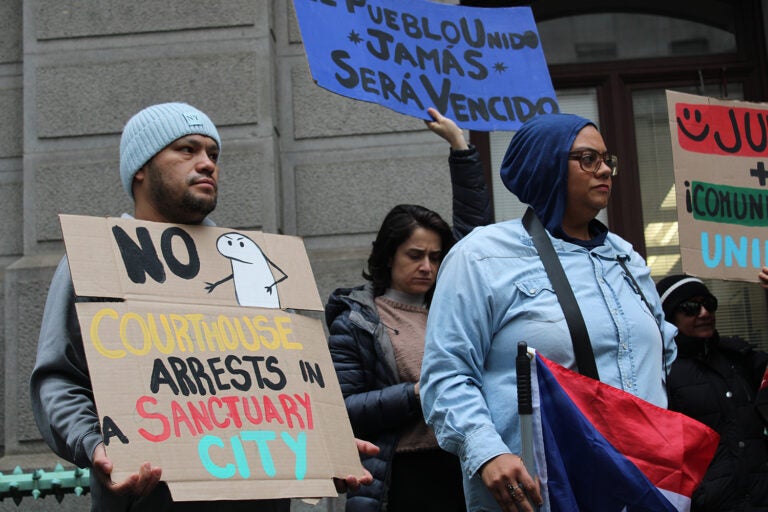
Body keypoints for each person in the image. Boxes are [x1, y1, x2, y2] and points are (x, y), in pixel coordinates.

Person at [29, 102, 376, 512]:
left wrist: (322, 441)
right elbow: (59, 380)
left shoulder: (250, 263)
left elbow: (284, 377)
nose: (207, 163)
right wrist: (96, 445)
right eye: (187, 150)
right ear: (141, 167)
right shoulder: (96, 259)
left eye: (213, 154)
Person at [419, 113, 677, 512]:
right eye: (588, 158)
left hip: (644, 493)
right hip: (543, 494)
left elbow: (664, 358)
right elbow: (446, 374)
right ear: (548, 165)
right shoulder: (481, 255)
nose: (605, 168)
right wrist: (487, 452)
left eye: (608, 158)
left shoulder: (628, 259)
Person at [325, 107, 492, 512]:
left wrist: (461, 148)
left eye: (436, 257)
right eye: (415, 255)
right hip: (399, 477)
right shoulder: (358, 321)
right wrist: (418, 393)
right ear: (388, 255)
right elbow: (343, 410)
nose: (427, 267)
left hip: (465, 467)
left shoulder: (451, 306)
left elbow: (477, 241)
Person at [656, 274, 768, 511]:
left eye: (709, 304)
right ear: (669, 317)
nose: (704, 313)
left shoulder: (740, 358)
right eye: (690, 308)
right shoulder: (660, 372)